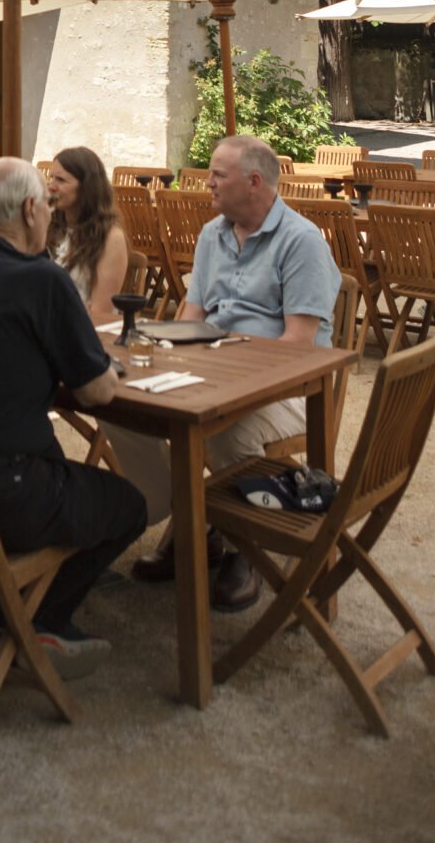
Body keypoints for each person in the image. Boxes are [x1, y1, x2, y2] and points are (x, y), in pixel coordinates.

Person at [0, 156, 147, 678]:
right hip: (1, 493)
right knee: (127, 504)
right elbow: (98, 391)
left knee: (60, 472)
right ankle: (26, 620)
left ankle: (3, 610)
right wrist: (108, 368)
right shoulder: (41, 281)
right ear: (32, 209)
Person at [129, 134, 339, 612]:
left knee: (224, 431)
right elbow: (192, 316)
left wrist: (224, 381)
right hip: (215, 371)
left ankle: (244, 546)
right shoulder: (212, 234)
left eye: (217, 175)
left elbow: (297, 347)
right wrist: (168, 357)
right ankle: (197, 525)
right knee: (133, 407)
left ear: (254, 182)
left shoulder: (301, 241)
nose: (207, 183)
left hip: (293, 389)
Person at [46, 147, 130, 325]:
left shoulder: (110, 237)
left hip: (85, 331)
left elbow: (101, 311)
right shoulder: (48, 226)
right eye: (51, 177)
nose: (51, 186)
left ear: (86, 187)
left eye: (60, 180)